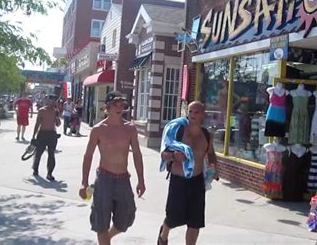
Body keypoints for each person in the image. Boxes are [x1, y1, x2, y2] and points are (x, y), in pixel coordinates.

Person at [79, 91, 145, 245]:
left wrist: (141, 180)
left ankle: (106, 239)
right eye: (116, 104)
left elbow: (137, 154)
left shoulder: (130, 129)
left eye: (122, 104)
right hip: (104, 179)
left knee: (126, 218)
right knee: (101, 221)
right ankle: (104, 239)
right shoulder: (98, 129)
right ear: (107, 107)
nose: (120, 107)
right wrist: (84, 182)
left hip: (123, 179)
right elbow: (88, 156)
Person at [158, 101, 218, 245]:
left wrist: (214, 168)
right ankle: (163, 234)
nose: (192, 115)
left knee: (195, 221)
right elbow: (164, 154)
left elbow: (211, 153)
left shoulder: (206, 135)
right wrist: (173, 156)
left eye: (196, 112)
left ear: (203, 114)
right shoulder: (177, 131)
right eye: (190, 111)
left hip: (197, 181)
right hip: (178, 180)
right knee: (173, 218)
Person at [31, 95, 61, 181]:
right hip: (42, 134)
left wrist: (57, 116)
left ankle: (49, 173)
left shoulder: (55, 111)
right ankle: (35, 168)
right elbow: (37, 124)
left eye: (53, 101)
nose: (52, 102)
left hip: (52, 134)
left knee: (51, 154)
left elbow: (58, 124)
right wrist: (34, 136)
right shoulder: (42, 111)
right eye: (50, 100)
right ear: (47, 101)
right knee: (38, 153)